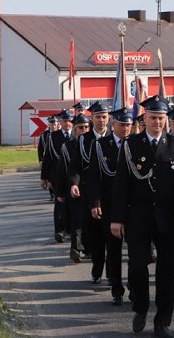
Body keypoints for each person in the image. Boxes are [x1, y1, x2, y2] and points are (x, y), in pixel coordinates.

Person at [110, 95, 174, 338]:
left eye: (161, 118)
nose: (157, 122)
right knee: (138, 266)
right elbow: (121, 185)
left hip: (168, 217)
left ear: (166, 120)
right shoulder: (130, 145)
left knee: (166, 270)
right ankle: (140, 308)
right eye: (153, 118)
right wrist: (117, 218)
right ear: (144, 118)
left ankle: (162, 322)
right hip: (138, 216)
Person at [86, 107, 133, 305]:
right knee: (113, 249)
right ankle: (116, 288)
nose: (126, 128)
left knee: (136, 250)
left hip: (133, 206)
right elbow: (93, 177)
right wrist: (95, 202)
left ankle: (135, 285)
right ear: (113, 125)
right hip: (109, 205)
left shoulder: (136, 144)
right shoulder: (100, 146)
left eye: (129, 125)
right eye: (122, 124)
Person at [75, 101, 111, 282]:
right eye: (98, 117)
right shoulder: (84, 139)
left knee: (113, 239)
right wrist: (74, 183)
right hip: (91, 194)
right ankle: (97, 270)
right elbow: (76, 166)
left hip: (112, 194)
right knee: (96, 238)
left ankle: (112, 275)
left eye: (104, 117)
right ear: (92, 118)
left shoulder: (115, 136)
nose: (102, 120)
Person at [41, 110, 75, 244]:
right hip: (57, 176)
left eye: (70, 121)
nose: (68, 123)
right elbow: (48, 158)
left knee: (73, 204)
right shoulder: (53, 137)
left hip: (74, 177)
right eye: (65, 121)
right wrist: (44, 177)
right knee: (60, 203)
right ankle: (59, 230)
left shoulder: (77, 136)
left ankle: (71, 229)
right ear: (60, 122)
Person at [65, 112, 91, 263]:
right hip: (76, 188)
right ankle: (76, 248)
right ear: (74, 129)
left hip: (91, 189)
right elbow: (65, 169)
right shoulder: (68, 146)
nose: (84, 130)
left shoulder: (94, 143)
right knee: (77, 220)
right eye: (81, 127)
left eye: (87, 127)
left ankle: (88, 249)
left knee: (89, 221)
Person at [38, 116, 60, 201]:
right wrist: (40, 160)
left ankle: (56, 192)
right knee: (50, 176)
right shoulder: (44, 135)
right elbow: (40, 148)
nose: (53, 126)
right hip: (47, 159)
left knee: (55, 177)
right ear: (49, 125)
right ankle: (52, 193)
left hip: (56, 159)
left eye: (55, 124)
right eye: (52, 124)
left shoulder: (59, 134)